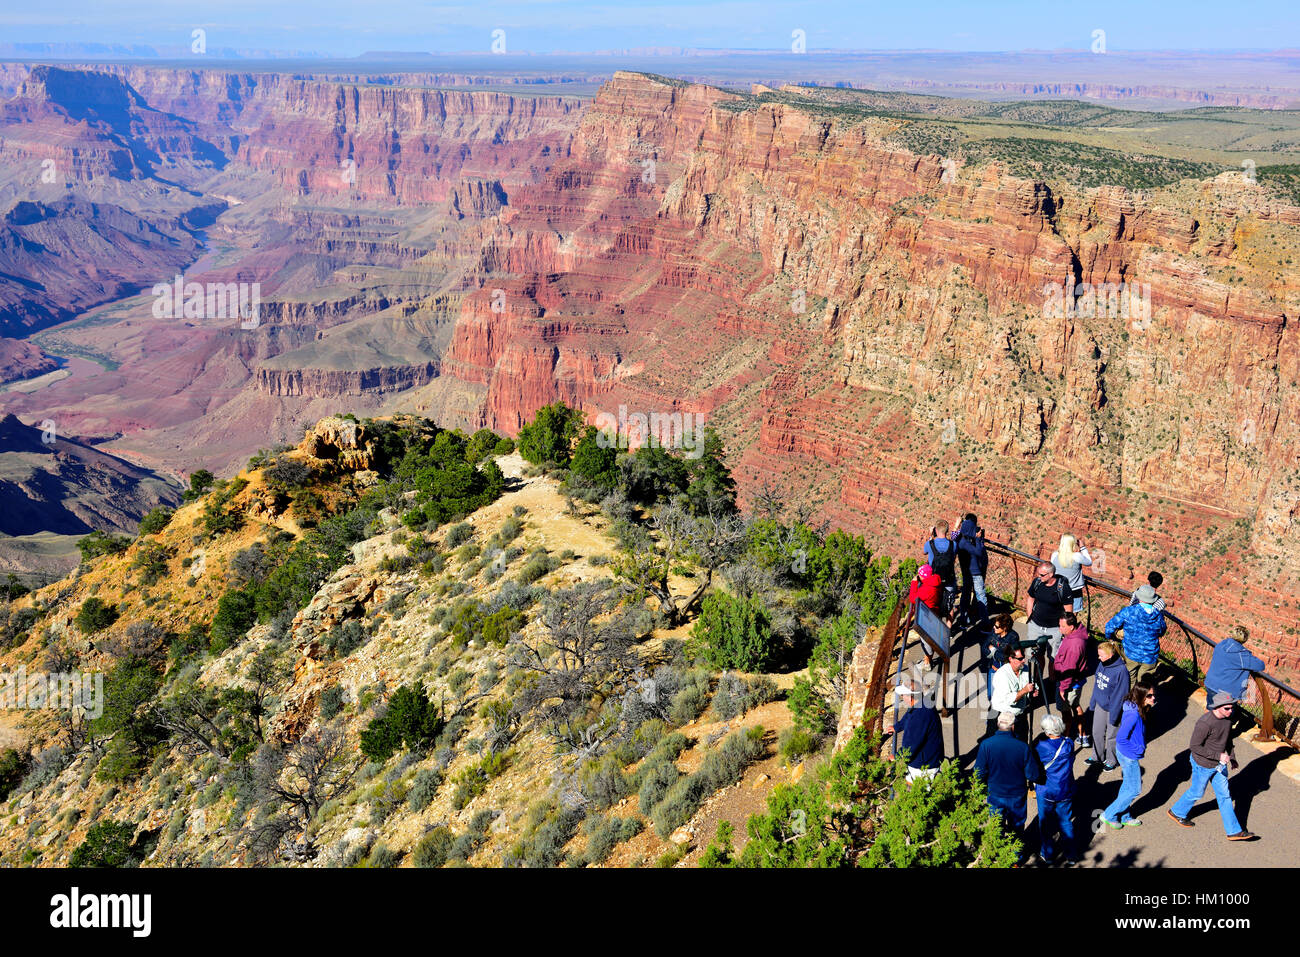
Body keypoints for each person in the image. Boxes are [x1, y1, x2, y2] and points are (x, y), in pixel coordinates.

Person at [1167, 692, 1259, 841]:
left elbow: (1227, 740)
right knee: (1197, 793)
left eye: (1232, 708)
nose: (1231, 711)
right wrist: (1218, 756)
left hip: (1219, 765)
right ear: (1217, 707)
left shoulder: (1228, 720)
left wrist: (1233, 757)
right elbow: (1195, 746)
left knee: (1224, 796)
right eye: (1228, 708)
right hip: (1203, 765)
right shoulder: (1205, 723)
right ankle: (1177, 812)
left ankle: (1234, 831)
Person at [975, 711, 1043, 846]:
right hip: (1016, 795)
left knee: (995, 826)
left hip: (995, 793)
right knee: (1016, 828)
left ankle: (997, 854)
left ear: (998, 724)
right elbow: (1032, 774)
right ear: (1013, 727)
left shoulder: (986, 745)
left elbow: (978, 772)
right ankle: (1016, 858)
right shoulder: (1022, 747)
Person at [1099, 676, 1155, 828]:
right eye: (1149, 695)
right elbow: (1121, 738)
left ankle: (1125, 815)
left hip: (1127, 754)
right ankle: (1109, 814)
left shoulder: (1135, 708)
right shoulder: (1134, 714)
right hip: (1129, 755)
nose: (1153, 697)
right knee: (1135, 789)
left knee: (1127, 787)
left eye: (1153, 694)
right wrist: (1138, 749)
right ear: (1142, 696)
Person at [1033, 714, 1078, 865]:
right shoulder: (1069, 743)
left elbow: (1033, 758)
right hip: (1065, 789)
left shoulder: (1041, 746)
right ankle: (1071, 854)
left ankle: (1048, 853)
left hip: (1047, 790)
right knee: (1065, 821)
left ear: (1047, 731)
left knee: (1045, 823)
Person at [1105, 584, 1166, 686]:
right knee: (1143, 685)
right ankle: (1139, 700)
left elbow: (1109, 627)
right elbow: (1162, 631)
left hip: (1131, 653)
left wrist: (1110, 637)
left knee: (1129, 681)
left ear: (1139, 597)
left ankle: (1129, 700)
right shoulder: (1158, 616)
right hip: (1149, 656)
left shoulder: (1128, 611)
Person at [884, 683, 944, 783]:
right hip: (931, 758)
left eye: (903, 695)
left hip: (924, 765)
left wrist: (897, 756)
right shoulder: (922, 703)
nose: (902, 697)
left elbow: (911, 746)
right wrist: (896, 727)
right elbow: (908, 715)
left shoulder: (919, 717)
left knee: (919, 793)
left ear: (911, 696)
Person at [1087, 641, 1129, 770]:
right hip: (1101, 704)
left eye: (1101, 655)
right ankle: (1097, 756)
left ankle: (1111, 760)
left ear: (1110, 655)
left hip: (1113, 709)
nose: (1098, 658)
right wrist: (1093, 702)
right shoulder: (1102, 664)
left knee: (1112, 736)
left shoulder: (1121, 671)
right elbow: (1097, 685)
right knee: (1097, 732)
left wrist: (1115, 715)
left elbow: (1120, 695)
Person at [1051, 611, 1090, 747]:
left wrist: (1063, 688)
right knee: (1075, 705)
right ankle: (1082, 734)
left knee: (1066, 710)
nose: (1059, 628)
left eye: (1062, 626)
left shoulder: (1074, 645)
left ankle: (1066, 737)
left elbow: (1069, 669)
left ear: (1071, 626)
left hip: (1069, 682)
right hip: (1076, 681)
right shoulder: (1075, 635)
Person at [1205, 625, 1266, 703]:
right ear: (1245, 639)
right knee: (1225, 713)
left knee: (1211, 709)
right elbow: (1260, 665)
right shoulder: (1241, 655)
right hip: (1226, 692)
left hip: (1210, 684)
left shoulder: (1221, 644)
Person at [989, 643, 1035, 740]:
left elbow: (1031, 683)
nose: (1024, 661)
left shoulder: (1025, 669)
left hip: (1020, 713)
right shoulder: (1002, 675)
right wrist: (1025, 690)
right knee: (1004, 745)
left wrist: (1034, 690)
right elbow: (1009, 699)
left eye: (1023, 658)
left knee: (1022, 741)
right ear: (1011, 659)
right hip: (1003, 716)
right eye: (1020, 659)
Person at [1026, 561, 1071, 657]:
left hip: (1054, 629)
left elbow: (1068, 612)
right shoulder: (1037, 582)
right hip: (1035, 626)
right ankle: (1037, 673)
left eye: (1042, 575)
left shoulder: (1063, 588)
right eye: (1039, 574)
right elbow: (1030, 598)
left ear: (1051, 574)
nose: (1039, 576)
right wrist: (1030, 616)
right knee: (1035, 656)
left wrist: (1064, 629)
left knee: (1053, 658)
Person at [955, 514, 989, 629]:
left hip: (966, 572)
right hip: (975, 572)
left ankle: (964, 619)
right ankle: (984, 623)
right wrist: (979, 539)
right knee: (980, 595)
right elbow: (979, 552)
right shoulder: (965, 542)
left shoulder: (960, 538)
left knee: (966, 594)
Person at [923, 521, 959, 618]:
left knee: (933, 604)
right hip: (949, 579)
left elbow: (924, 552)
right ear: (947, 531)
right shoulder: (954, 545)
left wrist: (930, 535)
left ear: (935, 530)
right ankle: (948, 630)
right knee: (949, 606)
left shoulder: (929, 544)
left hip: (934, 580)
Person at [1050, 534, 1092, 613]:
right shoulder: (1076, 556)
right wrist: (1082, 547)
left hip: (1058, 589)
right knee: (1071, 615)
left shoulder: (1055, 555)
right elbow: (1089, 562)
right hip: (1074, 590)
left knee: (1057, 612)